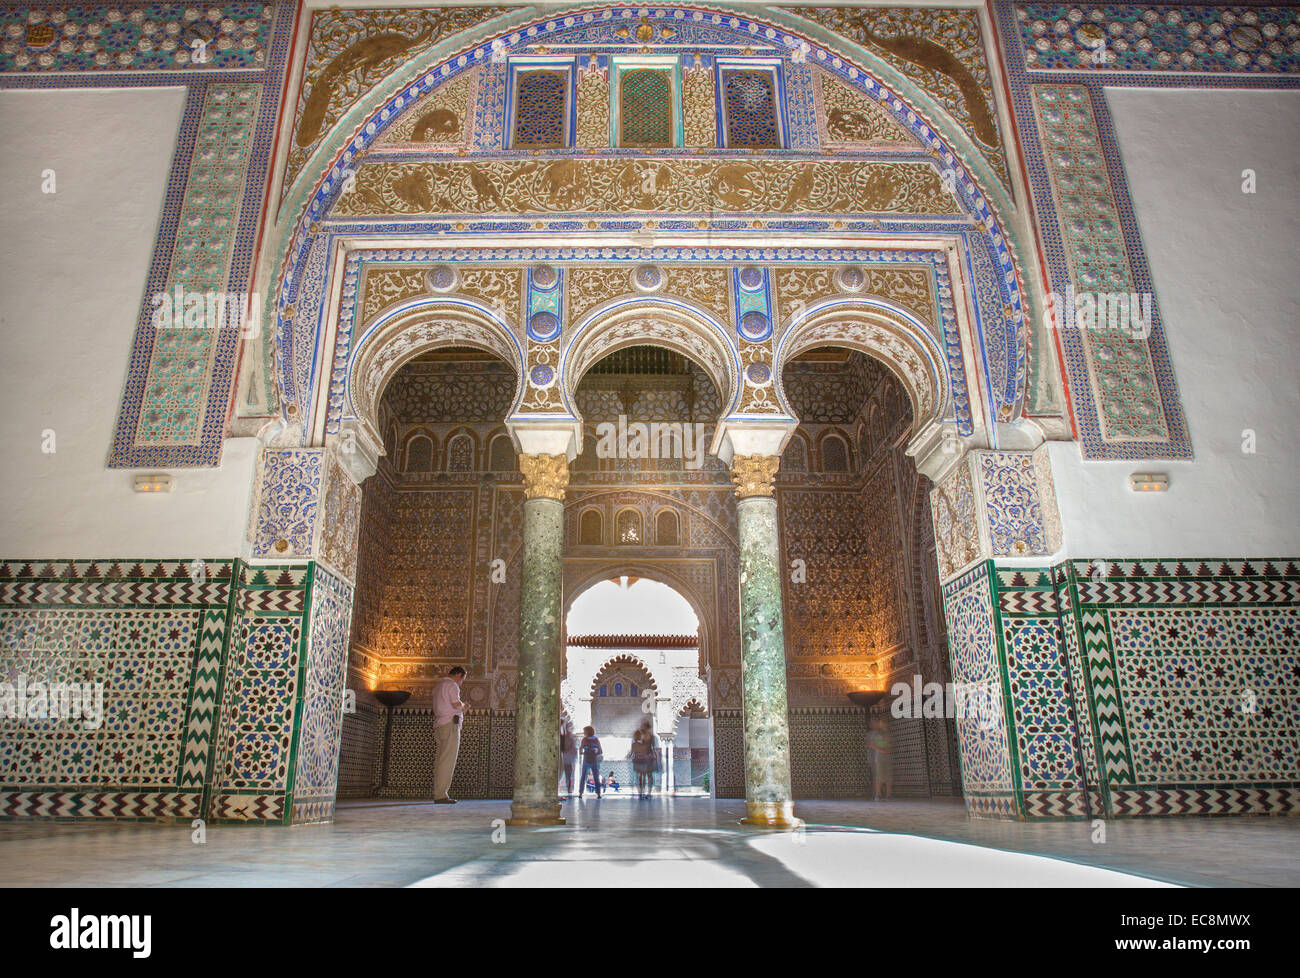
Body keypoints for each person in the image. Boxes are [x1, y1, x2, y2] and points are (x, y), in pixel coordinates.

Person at [432, 666, 467, 804]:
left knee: (441, 759)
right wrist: (465, 707)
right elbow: (456, 703)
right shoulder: (452, 685)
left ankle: (438, 792)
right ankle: (441, 794)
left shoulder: (439, 686)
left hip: (440, 725)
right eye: (462, 679)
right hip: (450, 725)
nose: (461, 683)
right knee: (447, 760)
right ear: (458, 675)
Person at [868, 714, 892, 801]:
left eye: (885, 723)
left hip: (887, 756)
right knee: (879, 776)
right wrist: (881, 750)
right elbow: (871, 745)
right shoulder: (875, 733)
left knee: (888, 775)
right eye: (882, 722)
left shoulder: (887, 733)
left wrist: (888, 750)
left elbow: (889, 744)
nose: (883, 724)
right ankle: (878, 794)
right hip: (878, 757)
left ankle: (889, 795)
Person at [578, 725, 603, 798]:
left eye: (584, 731)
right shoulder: (596, 739)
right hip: (594, 760)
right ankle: (598, 794)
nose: (584, 732)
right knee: (596, 777)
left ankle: (580, 793)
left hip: (586, 759)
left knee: (583, 777)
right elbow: (600, 750)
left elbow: (581, 749)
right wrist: (594, 752)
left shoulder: (584, 739)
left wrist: (583, 752)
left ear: (587, 731)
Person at [630, 728, 653, 799]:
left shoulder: (634, 744)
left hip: (639, 762)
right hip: (644, 762)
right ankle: (645, 793)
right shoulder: (642, 744)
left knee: (640, 778)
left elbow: (631, 754)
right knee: (644, 778)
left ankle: (641, 793)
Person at [560, 722, 578, 796]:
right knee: (567, 774)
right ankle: (569, 789)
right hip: (566, 758)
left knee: (569, 774)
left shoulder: (571, 737)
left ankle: (569, 789)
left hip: (569, 759)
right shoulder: (566, 737)